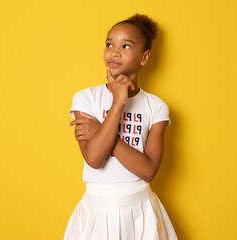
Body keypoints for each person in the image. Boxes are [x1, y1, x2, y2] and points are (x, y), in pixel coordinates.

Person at [64, 14, 178, 240]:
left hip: (139, 209)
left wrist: (100, 132)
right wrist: (118, 103)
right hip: (96, 208)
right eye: (109, 44)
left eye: (126, 46)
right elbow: (94, 159)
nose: (114, 52)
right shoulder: (86, 98)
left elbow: (147, 171)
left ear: (145, 58)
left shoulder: (156, 107)